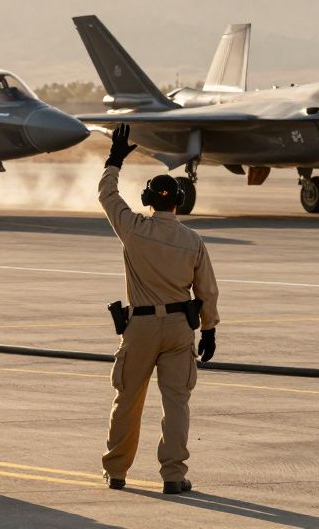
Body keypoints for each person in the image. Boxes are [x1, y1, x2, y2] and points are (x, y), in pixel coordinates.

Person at [98, 124, 220, 495]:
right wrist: (209, 329)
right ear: (178, 203)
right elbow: (207, 290)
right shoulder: (193, 241)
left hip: (141, 327)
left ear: (148, 200)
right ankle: (172, 475)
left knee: (127, 401)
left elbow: (107, 195)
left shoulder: (133, 229)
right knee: (177, 404)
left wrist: (114, 160)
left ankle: (117, 471)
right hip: (180, 330)